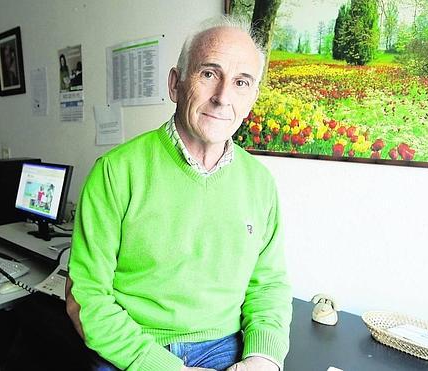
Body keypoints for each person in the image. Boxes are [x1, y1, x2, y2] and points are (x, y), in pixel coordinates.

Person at [66, 16, 292, 371]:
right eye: (208, 74)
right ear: (175, 84)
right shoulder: (115, 172)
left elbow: (269, 288)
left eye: (241, 82)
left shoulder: (260, 183)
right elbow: (86, 298)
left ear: (252, 99)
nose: (222, 98)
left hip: (224, 346)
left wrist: (262, 358)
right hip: (132, 345)